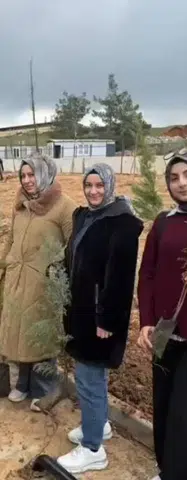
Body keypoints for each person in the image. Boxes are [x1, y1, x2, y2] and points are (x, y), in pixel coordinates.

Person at [57, 164, 143, 474]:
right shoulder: (84, 215)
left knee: (89, 379)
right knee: (93, 377)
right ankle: (100, 425)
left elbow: (119, 279)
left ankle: (93, 448)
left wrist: (107, 320)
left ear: (110, 185)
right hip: (81, 312)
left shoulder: (122, 223)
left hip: (100, 317)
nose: (93, 191)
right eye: (88, 185)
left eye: (99, 185)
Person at [137, 149, 187, 480]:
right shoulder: (164, 222)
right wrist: (146, 321)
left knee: (186, 419)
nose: (182, 183)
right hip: (165, 332)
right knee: (163, 409)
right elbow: (147, 273)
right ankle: (167, 471)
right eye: (174, 178)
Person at [0, 152, 77, 412]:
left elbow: (74, 246)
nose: (27, 180)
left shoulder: (65, 206)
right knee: (17, 333)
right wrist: (4, 263)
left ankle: (43, 390)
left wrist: (60, 277)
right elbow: (12, 238)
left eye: (31, 174)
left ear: (45, 173)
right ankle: (21, 384)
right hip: (16, 278)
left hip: (43, 284)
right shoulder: (20, 203)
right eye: (23, 175)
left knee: (41, 336)